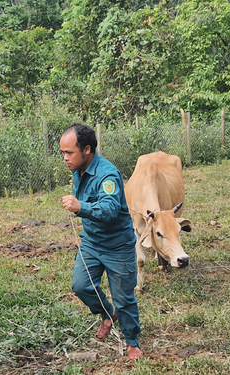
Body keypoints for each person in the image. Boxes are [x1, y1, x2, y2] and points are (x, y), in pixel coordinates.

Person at [59, 123, 143, 360]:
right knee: (81, 286)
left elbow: (109, 210)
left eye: (69, 153)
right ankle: (108, 313)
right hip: (91, 243)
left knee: (124, 298)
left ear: (86, 150)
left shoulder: (107, 175)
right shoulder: (78, 170)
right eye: (62, 153)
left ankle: (132, 342)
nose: (65, 158)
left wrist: (80, 206)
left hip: (117, 246)